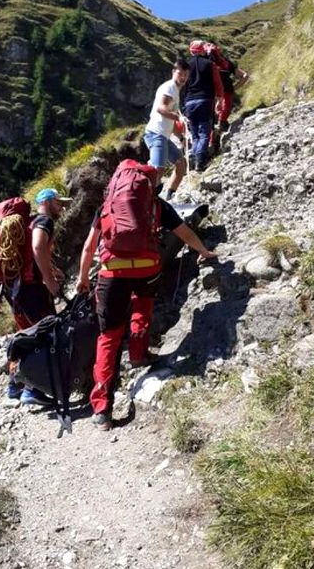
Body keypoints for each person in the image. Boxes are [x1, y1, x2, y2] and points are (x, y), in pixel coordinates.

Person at [76, 164, 217, 431]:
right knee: (142, 306)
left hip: (112, 272)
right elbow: (184, 232)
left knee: (109, 337)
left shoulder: (107, 206)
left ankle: (102, 408)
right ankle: (139, 353)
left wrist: (83, 278)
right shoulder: (155, 205)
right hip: (147, 267)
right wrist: (204, 251)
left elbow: (89, 246)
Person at [6, 188, 72, 405]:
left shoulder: (29, 223)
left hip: (17, 290)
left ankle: (14, 385)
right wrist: (49, 280)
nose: (61, 208)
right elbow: (37, 247)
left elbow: (31, 255)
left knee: (25, 336)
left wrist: (52, 269)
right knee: (44, 337)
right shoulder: (44, 221)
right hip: (34, 290)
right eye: (59, 203)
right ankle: (32, 390)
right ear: (49, 202)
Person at [144, 58, 189, 201]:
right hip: (156, 134)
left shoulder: (175, 90)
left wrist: (181, 137)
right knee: (158, 170)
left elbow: (171, 121)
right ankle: (146, 200)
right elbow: (161, 108)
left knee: (181, 164)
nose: (183, 78)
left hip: (163, 136)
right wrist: (178, 117)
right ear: (173, 72)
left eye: (185, 75)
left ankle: (168, 197)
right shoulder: (170, 87)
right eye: (180, 74)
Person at [183, 40, 224, 172]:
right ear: (202, 50)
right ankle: (200, 162)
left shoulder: (186, 66)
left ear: (191, 51)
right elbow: (217, 83)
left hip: (189, 102)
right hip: (205, 100)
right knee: (204, 132)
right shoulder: (210, 64)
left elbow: (183, 84)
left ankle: (196, 159)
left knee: (194, 134)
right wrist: (219, 100)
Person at [210, 48, 249, 132]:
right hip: (227, 90)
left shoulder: (207, 63)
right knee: (224, 109)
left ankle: (216, 130)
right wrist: (234, 87)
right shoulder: (227, 63)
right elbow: (245, 76)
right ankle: (221, 124)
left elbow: (245, 76)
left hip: (212, 91)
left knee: (216, 112)